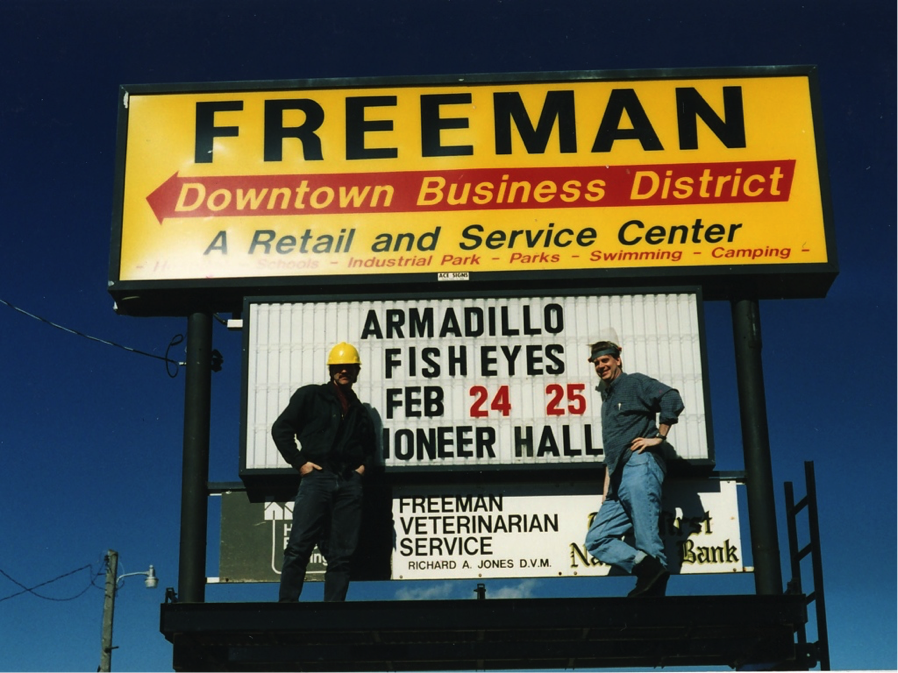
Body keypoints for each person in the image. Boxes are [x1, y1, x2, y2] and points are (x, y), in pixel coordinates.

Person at [272, 342, 376, 602]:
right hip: (316, 478)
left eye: (349, 367)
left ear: (356, 371)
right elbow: (281, 429)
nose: (344, 371)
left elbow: (370, 447)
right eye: (339, 367)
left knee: (341, 554)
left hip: (348, 483)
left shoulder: (360, 410)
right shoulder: (310, 396)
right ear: (331, 370)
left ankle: (333, 612)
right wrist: (300, 463)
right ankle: (286, 607)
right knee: (299, 546)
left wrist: (361, 470)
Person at [583, 338, 684, 597]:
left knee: (647, 539)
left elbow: (671, 397)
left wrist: (659, 437)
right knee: (596, 539)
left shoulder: (633, 382)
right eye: (596, 362)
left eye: (605, 360)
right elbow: (613, 448)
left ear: (618, 360)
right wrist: (607, 488)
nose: (600, 366)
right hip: (617, 478)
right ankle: (648, 574)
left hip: (640, 466)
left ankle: (653, 599)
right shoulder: (607, 401)